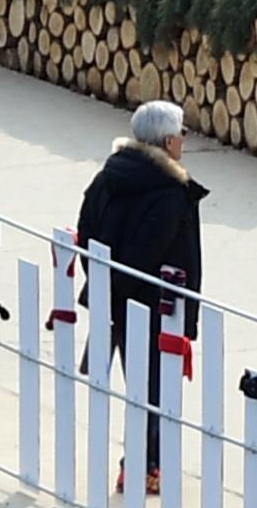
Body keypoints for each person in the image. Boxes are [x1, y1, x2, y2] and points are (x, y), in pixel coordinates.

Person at [75, 101, 208, 483]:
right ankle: (144, 465)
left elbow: (86, 234)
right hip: (157, 305)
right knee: (155, 388)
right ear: (168, 141)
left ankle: (147, 462)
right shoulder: (169, 191)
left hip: (114, 298)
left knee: (141, 384)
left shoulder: (107, 177)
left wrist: (106, 284)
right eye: (182, 133)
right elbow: (155, 249)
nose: (184, 140)